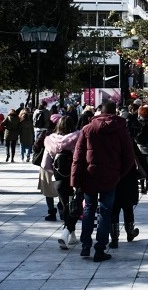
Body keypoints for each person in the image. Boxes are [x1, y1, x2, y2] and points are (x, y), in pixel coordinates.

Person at [71, 101, 136, 262]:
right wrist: (119, 174)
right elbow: (129, 156)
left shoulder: (87, 129)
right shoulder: (121, 129)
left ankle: (85, 246)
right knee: (106, 212)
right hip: (111, 177)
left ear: (100, 112)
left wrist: (75, 180)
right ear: (115, 112)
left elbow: (78, 157)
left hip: (89, 175)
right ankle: (100, 248)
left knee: (89, 210)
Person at [44, 114, 80, 250]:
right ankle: (66, 233)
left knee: (65, 206)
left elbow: (46, 164)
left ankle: (72, 235)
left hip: (59, 178)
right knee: (77, 205)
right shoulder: (78, 138)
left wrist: (56, 172)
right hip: (76, 177)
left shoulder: (50, 141)